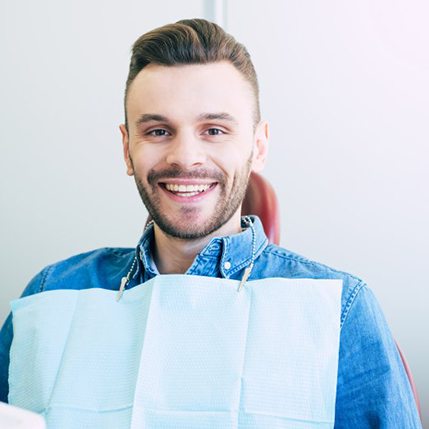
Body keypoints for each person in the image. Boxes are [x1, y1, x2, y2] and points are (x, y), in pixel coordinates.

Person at [0, 18, 422, 428]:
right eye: (159, 131)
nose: (186, 157)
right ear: (127, 149)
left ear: (258, 146)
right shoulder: (49, 296)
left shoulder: (340, 309)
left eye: (215, 130)